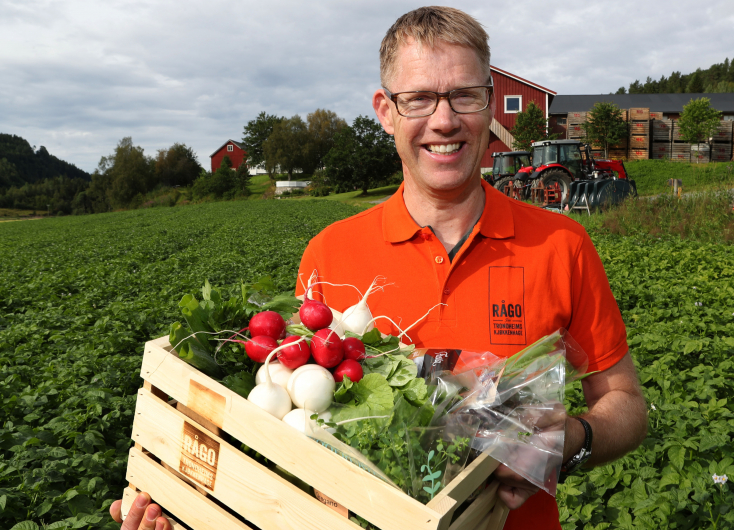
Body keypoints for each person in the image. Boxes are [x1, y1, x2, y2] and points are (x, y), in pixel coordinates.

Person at [113, 6, 646, 530]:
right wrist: (189, 507)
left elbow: (625, 405)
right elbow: (295, 438)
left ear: (489, 107)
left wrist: (571, 440)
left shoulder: (562, 243)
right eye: (418, 98)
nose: (444, 120)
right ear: (386, 110)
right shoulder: (330, 254)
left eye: (465, 95)